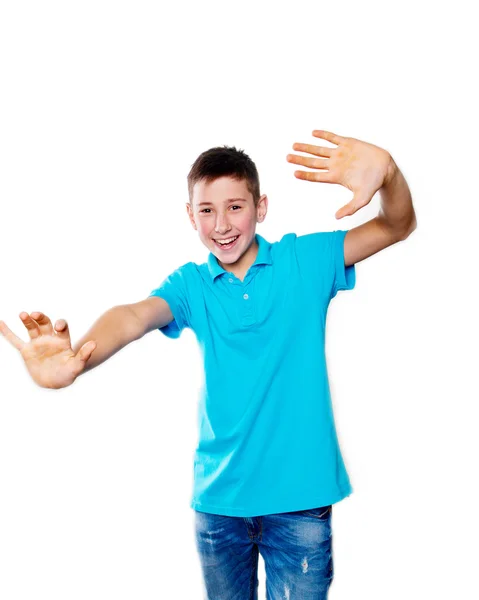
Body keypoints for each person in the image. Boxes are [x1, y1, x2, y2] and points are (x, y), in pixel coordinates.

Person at [0, 129, 416, 599]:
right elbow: (136, 315)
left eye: (235, 207)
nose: (221, 223)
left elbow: (395, 226)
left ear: (261, 208)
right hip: (221, 505)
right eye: (206, 210)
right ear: (189, 215)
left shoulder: (306, 260)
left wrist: (391, 176)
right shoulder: (192, 285)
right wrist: (78, 360)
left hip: (301, 502)